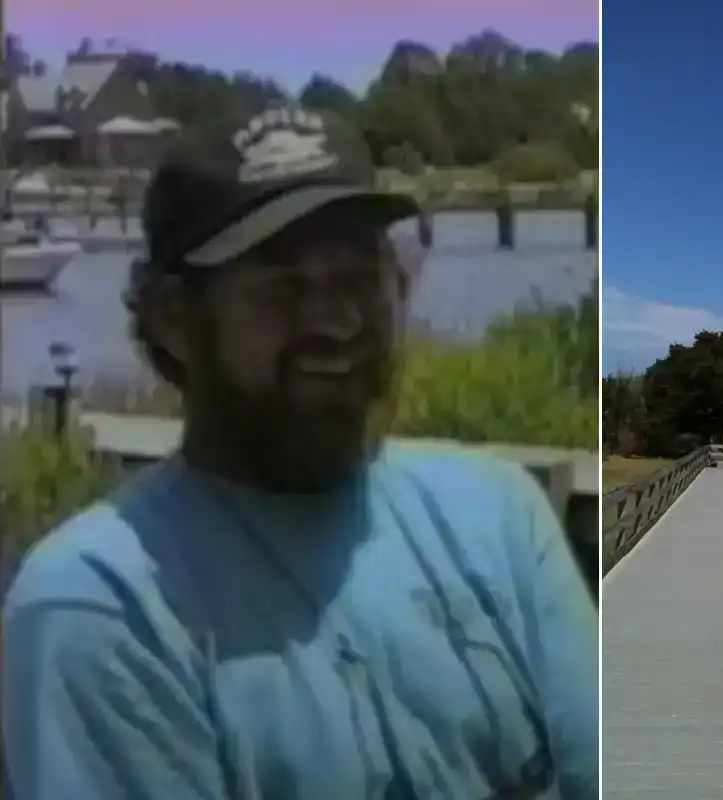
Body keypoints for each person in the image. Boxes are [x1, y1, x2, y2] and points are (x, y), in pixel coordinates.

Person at [1, 105, 598, 799]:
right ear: (171, 320)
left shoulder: (501, 516)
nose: (336, 321)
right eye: (282, 289)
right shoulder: (102, 604)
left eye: (357, 281)